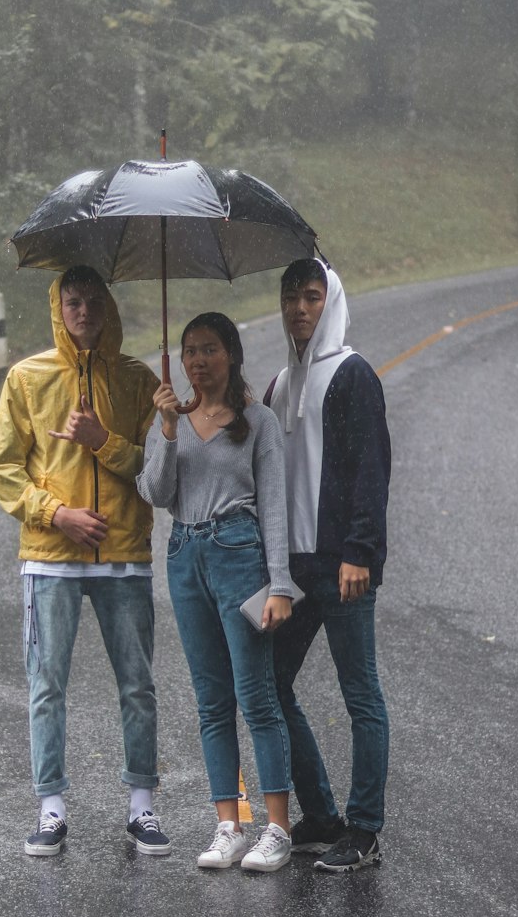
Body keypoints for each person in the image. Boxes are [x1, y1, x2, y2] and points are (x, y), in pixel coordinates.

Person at [0, 265, 169, 859]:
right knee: (47, 686)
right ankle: (51, 809)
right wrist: (54, 514)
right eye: (73, 301)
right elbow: (4, 468)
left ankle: (141, 808)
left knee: (137, 685)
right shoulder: (27, 378)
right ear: (57, 307)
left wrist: (101, 441)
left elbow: (155, 474)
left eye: (93, 301)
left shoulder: (137, 381)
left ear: (108, 307)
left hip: (123, 556)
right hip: (51, 559)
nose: (83, 311)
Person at [137, 312, 297, 872]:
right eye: (189, 352)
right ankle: (229, 824)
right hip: (184, 555)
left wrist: (280, 584)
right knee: (211, 701)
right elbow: (155, 492)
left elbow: (274, 507)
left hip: (238, 555)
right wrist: (167, 428)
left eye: (208, 349)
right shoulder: (168, 420)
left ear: (231, 353)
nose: (197, 361)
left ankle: (277, 827)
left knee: (256, 695)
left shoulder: (257, 421)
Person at [266, 258, 391, 873]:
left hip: (341, 566)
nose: (300, 308)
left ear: (330, 302)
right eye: (291, 298)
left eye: (312, 297)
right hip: (292, 569)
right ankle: (320, 817)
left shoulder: (352, 374)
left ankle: (364, 832)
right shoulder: (279, 384)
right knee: (268, 683)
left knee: (359, 694)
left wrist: (360, 552)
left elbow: (372, 470)